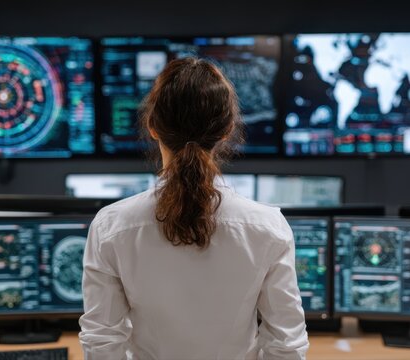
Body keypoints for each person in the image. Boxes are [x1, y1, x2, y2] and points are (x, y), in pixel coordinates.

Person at [79, 57, 309, 359]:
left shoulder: (111, 227)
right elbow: (287, 347)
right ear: (227, 129)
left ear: (152, 126)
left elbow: (102, 344)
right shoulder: (268, 228)